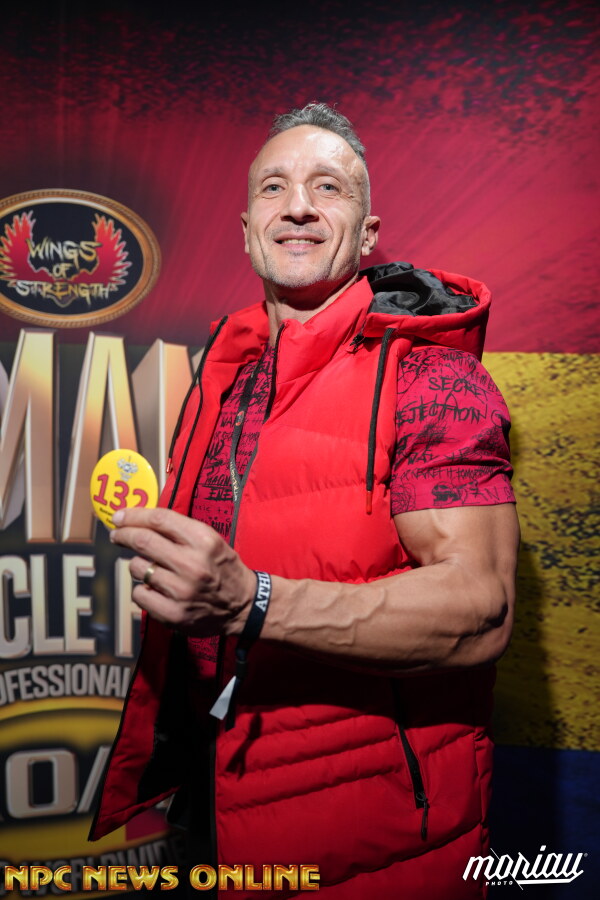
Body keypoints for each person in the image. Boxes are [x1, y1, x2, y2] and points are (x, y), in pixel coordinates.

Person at [90, 103, 519, 899]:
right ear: (246, 229)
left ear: (367, 233)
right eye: (273, 187)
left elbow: (480, 610)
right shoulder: (227, 374)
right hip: (213, 798)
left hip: (369, 844)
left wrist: (251, 601)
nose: (297, 206)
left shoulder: (434, 377)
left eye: (329, 187)